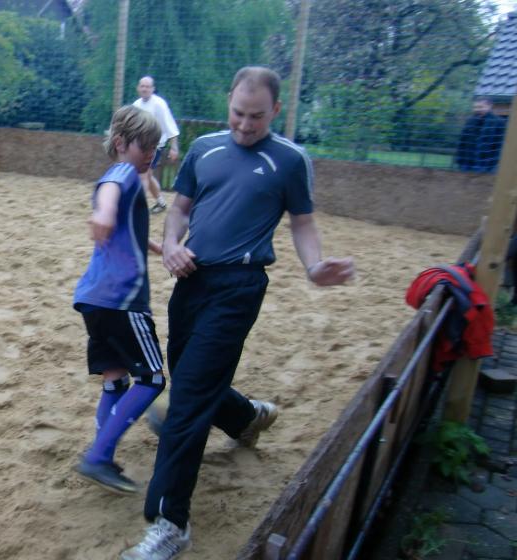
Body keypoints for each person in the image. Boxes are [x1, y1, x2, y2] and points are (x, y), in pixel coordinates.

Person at [121, 67, 355, 560]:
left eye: (256, 116)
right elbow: (180, 208)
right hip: (191, 279)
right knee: (188, 375)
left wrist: (314, 267)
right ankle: (247, 417)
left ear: (276, 111)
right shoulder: (206, 149)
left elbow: (304, 222)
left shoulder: (291, 160)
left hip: (240, 286)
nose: (245, 125)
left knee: (184, 404)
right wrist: (171, 247)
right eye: (237, 114)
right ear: (228, 102)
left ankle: (169, 521)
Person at [73, 105, 166, 494]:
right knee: (153, 378)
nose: (150, 153)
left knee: (115, 379)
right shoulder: (124, 172)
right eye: (144, 145)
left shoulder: (131, 176)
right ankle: (98, 456)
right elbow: (110, 188)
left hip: (93, 299)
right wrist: (105, 211)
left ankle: (102, 455)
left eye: (155, 147)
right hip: (123, 300)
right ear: (120, 143)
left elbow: (121, 224)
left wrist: (150, 244)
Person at [133, 76, 180, 214]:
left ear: (153, 89)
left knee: (143, 175)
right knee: (146, 175)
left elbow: (170, 125)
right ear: (138, 88)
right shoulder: (136, 105)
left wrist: (174, 147)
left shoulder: (159, 104)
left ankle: (138, 207)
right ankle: (160, 202)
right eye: (142, 86)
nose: (145, 89)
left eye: (148, 86)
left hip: (155, 145)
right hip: (141, 146)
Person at [456, 97, 506, 173]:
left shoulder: (499, 122)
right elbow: (462, 140)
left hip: (486, 164)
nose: (477, 109)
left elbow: (499, 145)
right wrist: (459, 159)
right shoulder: (470, 121)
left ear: (490, 106)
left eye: (480, 107)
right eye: (475, 107)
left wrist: (494, 163)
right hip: (466, 162)